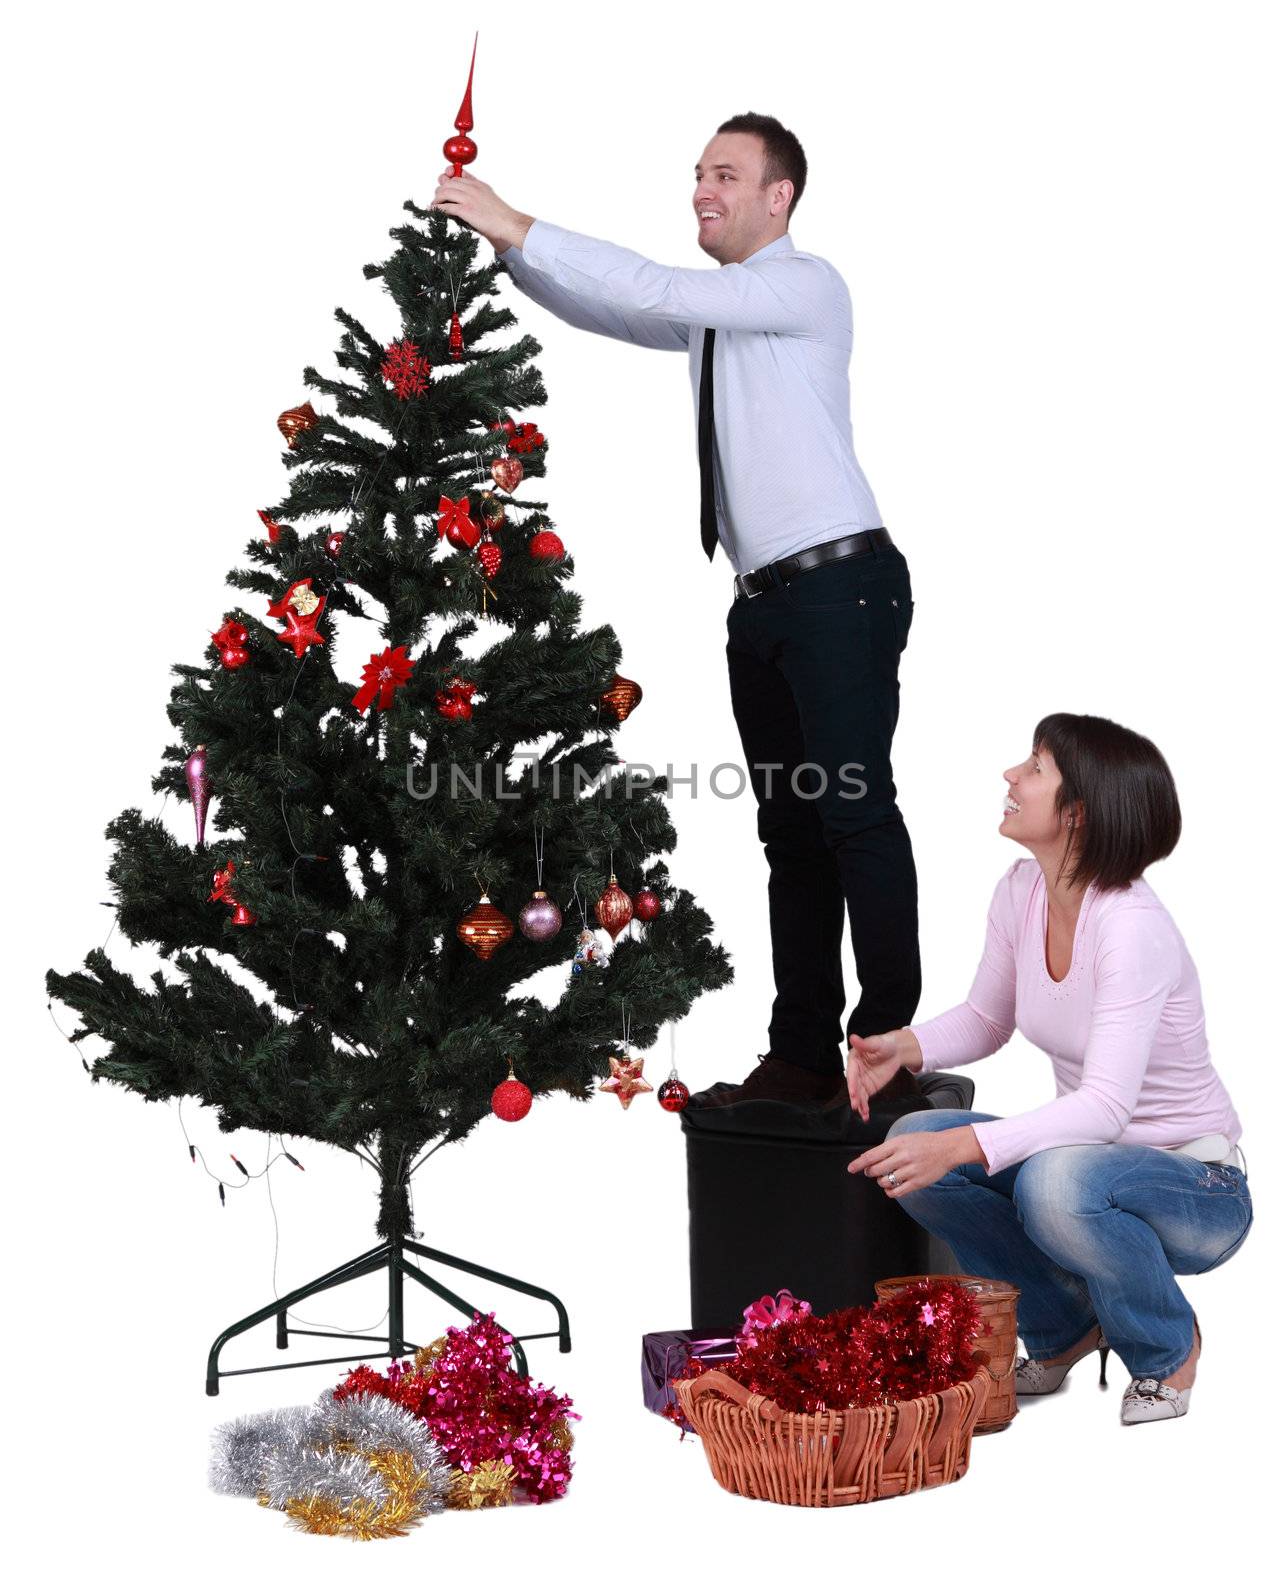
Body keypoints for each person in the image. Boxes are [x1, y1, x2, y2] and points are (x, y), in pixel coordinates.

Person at [432, 113, 919, 1107]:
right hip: (765, 605)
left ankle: (886, 1044)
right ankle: (800, 1054)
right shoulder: (717, 313)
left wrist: (516, 218)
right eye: (697, 172)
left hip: (840, 586)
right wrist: (507, 251)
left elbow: (649, 285)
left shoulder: (802, 283)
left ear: (776, 198)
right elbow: (611, 307)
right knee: (789, 831)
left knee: (853, 814)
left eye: (725, 175)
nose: (702, 189)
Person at [845, 713, 1250, 1425]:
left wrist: (968, 1145)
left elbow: (1103, 1111)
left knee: (1051, 1177)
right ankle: (1063, 1329)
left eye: (1033, 767)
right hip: (1087, 1165)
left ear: (1079, 811)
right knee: (918, 1140)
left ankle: (1164, 1349)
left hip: (1197, 1188)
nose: (1010, 776)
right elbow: (986, 1018)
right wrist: (900, 1048)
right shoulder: (1019, 891)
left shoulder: (1131, 927)